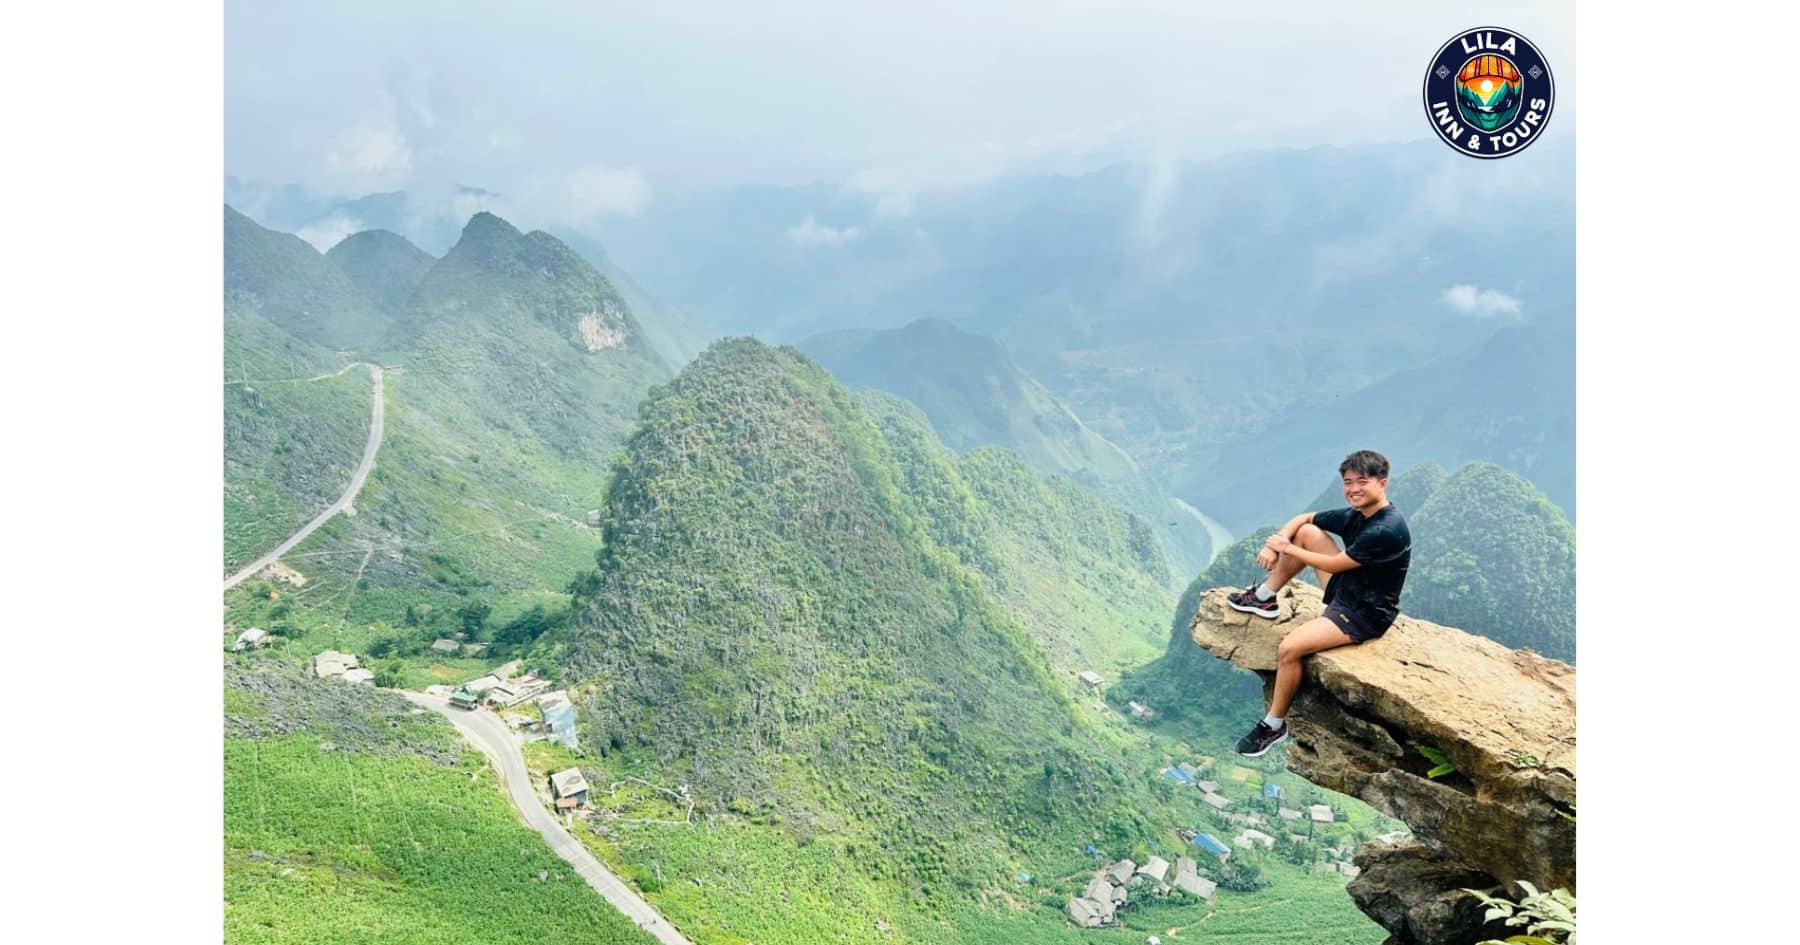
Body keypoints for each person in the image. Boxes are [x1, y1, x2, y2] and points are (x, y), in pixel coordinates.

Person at [1226, 449, 1411, 757]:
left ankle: (1273, 725)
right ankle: (1264, 598)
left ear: (1383, 483)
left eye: (1361, 481)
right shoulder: (1359, 515)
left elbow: (1338, 564)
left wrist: (1287, 549)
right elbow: (1306, 519)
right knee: (1308, 532)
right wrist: (1279, 542)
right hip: (1347, 590)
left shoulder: (1386, 529)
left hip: (1363, 613)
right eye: (1348, 482)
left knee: (1289, 649)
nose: (1353, 489)